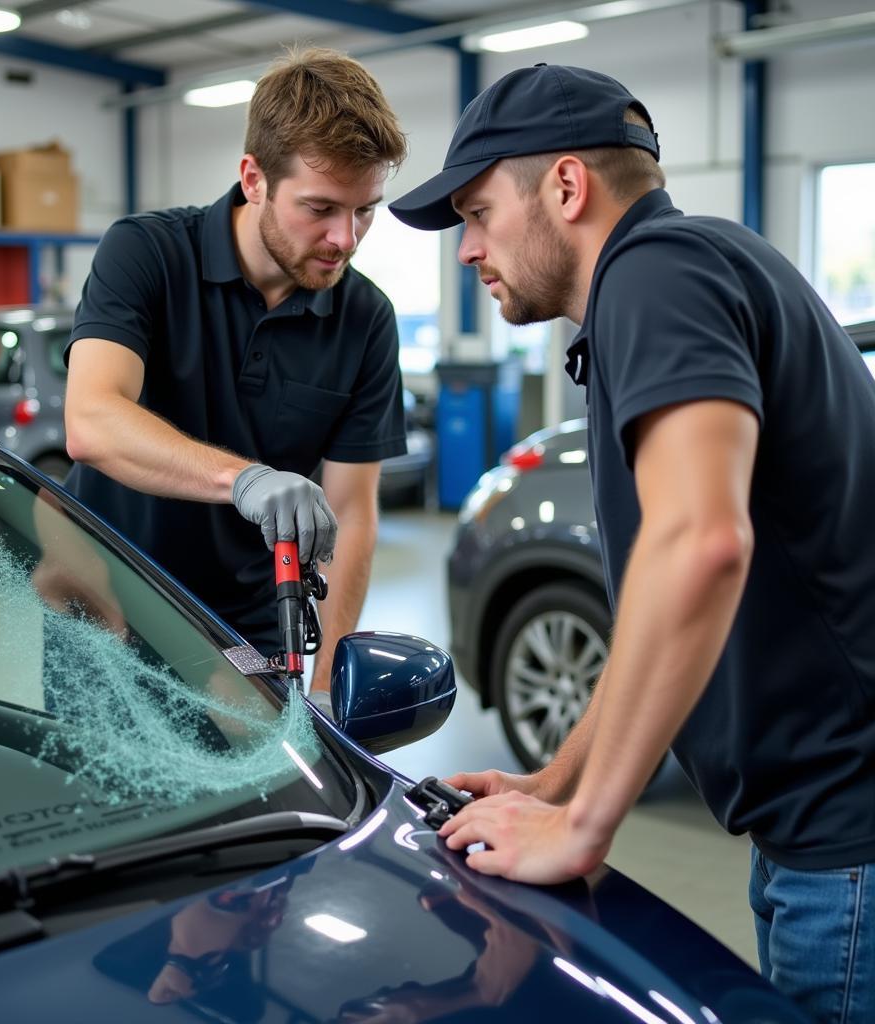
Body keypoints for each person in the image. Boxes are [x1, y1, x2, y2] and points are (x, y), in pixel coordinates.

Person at [389, 63, 875, 1024]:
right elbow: (667, 594)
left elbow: (700, 543)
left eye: (479, 214)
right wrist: (552, 777)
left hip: (848, 849)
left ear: (566, 188)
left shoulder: (657, 275)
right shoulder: (688, 272)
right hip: (815, 841)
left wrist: (583, 825)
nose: (468, 251)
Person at [61, 49, 408, 709]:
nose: (347, 238)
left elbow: (353, 511)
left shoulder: (364, 318)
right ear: (254, 178)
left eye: (366, 210)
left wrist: (333, 682)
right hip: (104, 608)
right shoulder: (147, 254)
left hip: (247, 632)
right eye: (322, 208)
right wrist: (242, 479)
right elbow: (92, 420)